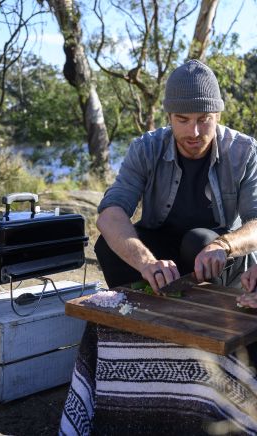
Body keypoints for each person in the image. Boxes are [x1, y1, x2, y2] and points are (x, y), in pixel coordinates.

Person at [95, 59, 257, 293]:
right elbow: (110, 215)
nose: (194, 132)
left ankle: (203, 320)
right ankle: (138, 313)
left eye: (204, 119)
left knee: (199, 241)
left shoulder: (244, 151)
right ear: (169, 116)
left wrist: (225, 244)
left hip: (218, 255)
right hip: (163, 253)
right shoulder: (145, 149)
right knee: (108, 244)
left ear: (218, 115)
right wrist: (147, 263)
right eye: (183, 120)